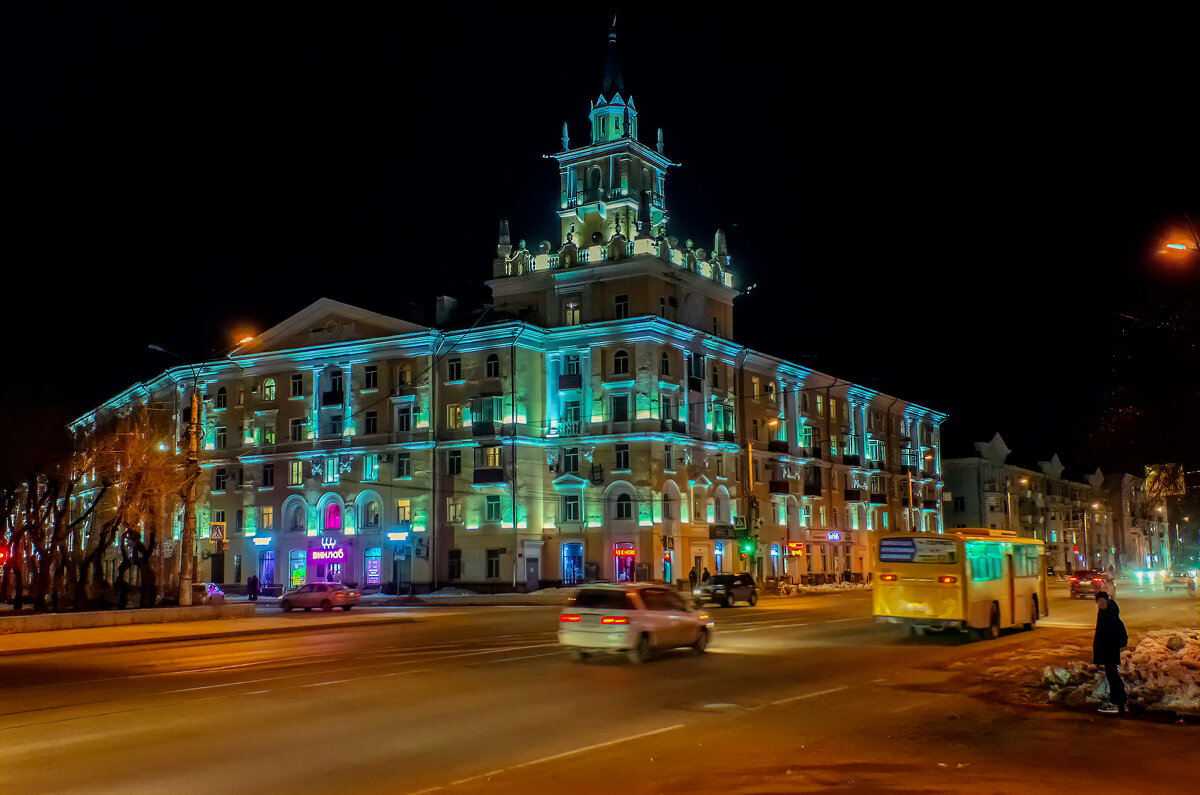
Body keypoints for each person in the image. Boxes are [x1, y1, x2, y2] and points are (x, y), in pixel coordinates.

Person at [1093, 591, 1128, 714]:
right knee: (1111, 675)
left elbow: (1114, 633)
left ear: (1107, 601)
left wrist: (1113, 645)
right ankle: (1119, 702)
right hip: (1106, 650)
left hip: (1110, 650)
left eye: (1103, 601)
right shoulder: (1103, 613)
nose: (1101, 603)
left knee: (1113, 676)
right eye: (1099, 601)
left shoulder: (1110, 615)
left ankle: (1117, 703)